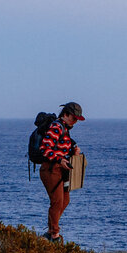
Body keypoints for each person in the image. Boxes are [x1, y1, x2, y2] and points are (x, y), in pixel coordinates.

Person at [38, 101, 85, 242]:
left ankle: (51, 230)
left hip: (60, 170)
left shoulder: (65, 128)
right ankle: (54, 235)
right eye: (74, 118)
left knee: (65, 200)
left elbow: (60, 148)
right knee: (57, 202)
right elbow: (45, 149)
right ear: (65, 114)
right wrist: (60, 160)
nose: (75, 121)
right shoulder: (56, 127)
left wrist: (73, 151)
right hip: (51, 169)